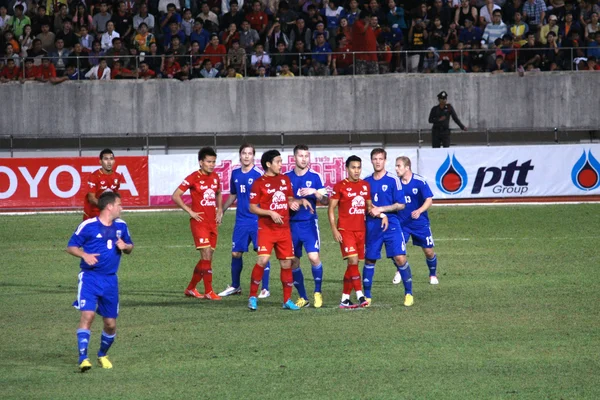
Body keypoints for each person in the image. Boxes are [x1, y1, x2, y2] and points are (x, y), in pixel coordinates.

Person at [67, 191, 134, 372]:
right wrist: (84, 254)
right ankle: (83, 358)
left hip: (110, 281)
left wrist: (126, 246)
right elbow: (71, 246)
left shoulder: (121, 226)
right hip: (90, 278)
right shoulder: (88, 225)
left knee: (110, 324)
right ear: (109, 206)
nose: (122, 208)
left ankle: (102, 354)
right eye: (119, 204)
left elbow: (130, 247)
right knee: (87, 316)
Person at [246, 150, 312, 311]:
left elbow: (289, 198)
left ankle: (287, 300)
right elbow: (252, 207)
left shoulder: (284, 179)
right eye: (278, 162)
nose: (281, 165)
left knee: (286, 263)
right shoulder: (259, 183)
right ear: (268, 164)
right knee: (262, 261)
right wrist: (270, 212)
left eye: (281, 161)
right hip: (267, 229)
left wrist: (293, 203)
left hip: (284, 229)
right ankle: (253, 297)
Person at [218, 143, 271, 298]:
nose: (247, 156)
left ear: (253, 156)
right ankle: (235, 286)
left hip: (257, 220)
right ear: (240, 155)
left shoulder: (259, 174)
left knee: (262, 254)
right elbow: (233, 195)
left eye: (249, 153)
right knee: (235, 253)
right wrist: (222, 209)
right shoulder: (235, 174)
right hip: (241, 221)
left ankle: (265, 288)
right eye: (244, 153)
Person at [363, 148, 413, 307]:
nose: (378, 161)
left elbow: (401, 204)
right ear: (371, 161)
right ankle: (368, 296)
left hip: (391, 223)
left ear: (385, 161)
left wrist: (381, 210)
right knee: (370, 259)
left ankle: (409, 293)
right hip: (372, 223)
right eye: (375, 159)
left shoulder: (393, 180)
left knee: (400, 258)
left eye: (380, 159)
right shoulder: (366, 182)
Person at [172, 147, 223, 301]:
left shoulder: (215, 177)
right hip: (199, 222)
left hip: (212, 223)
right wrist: (190, 211)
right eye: (208, 161)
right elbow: (176, 195)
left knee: (207, 259)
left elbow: (218, 193)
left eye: (213, 162)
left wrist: (219, 209)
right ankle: (209, 291)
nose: (212, 164)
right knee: (206, 255)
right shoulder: (193, 177)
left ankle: (191, 288)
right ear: (201, 162)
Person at [286, 144, 329, 308]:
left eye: (306, 156)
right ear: (294, 158)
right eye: (300, 156)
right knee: (293, 262)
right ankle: (303, 297)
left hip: (309, 224)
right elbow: (281, 198)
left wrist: (314, 192)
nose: (304, 159)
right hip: (290, 226)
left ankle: (317, 292)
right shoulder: (286, 177)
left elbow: (325, 200)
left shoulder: (315, 177)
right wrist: (291, 202)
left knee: (313, 257)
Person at [328, 155, 372, 309]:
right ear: (347, 169)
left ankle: (345, 299)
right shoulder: (340, 186)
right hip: (345, 230)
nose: (356, 170)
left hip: (361, 230)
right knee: (353, 261)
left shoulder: (365, 186)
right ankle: (360, 295)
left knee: (353, 265)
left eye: (359, 167)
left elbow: (369, 207)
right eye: (353, 167)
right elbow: (331, 208)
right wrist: (334, 229)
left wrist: (383, 214)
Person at [393, 156, 439, 286]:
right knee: (398, 250)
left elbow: (429, 199)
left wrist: (419, 211)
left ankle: (432, 274)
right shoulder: (396, 183)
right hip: (402, 223)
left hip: (420, 223)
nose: (396, 169)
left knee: (429, 251)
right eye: (396, 166)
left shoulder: (419, 181)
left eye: (399, 166)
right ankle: (399, 271)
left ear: (407, 167)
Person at [83, 149, 125, 221]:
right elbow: (91, 198)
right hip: (92, 214)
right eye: (106, 159)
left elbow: (115, 193)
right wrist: (105, 205)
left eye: (111, 159)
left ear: (114, 161)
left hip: (108, 213)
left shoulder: (117, 176)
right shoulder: (94, 177)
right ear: (100, 161)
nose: (109, 162)